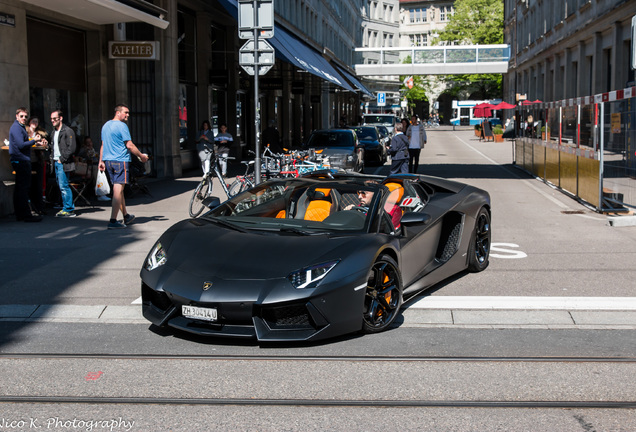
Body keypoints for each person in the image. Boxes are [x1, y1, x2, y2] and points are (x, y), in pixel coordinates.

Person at [98, 104, 149, 229]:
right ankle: (113, 221)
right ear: (118, 112)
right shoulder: (122, 126)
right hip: (120, 161)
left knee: (119, 191)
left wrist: (101, 161)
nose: (127, 115)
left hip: (109, 161)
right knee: (117, 191)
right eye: (125, 112)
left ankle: (125, 215)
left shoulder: (105, 126)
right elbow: (129, 145)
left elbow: (103, 145)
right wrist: (141, 156)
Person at [9, 107, 43, 222]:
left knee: (20, 188)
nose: (24, 118)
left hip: (21, 159)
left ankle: (21, 214)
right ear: (17, 116)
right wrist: (33, 140)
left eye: (25, 116)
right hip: (21, 160)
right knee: (23, 188)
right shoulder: (16, 128)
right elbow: (21, 144)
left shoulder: (19, 127)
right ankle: (25, 215)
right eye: (22, 116)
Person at [49, 110, 77, 218]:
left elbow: (72, 148)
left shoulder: (67, 131)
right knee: (61, 186)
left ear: (60, 118)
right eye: (51, 119)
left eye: (54, 119)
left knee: (64, 186)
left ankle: (68, 209)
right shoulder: (54, 132)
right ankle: (66, 207)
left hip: (62, 162)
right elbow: (54, 147)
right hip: (56, 162)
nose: (52, 121)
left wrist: (62, 158)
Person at [27, 117, 48, 216]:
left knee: (38, 186)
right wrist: (34, 141)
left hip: (38, 161)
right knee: (29, 185)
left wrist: (44, 143)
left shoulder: (40, 133)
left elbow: (45, 146)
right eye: (33, 121)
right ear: (29, 122)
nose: (35, 123)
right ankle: (32, 208)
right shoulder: (25, 132)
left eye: (37, 121)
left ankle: (40, 208)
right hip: (28, 160)